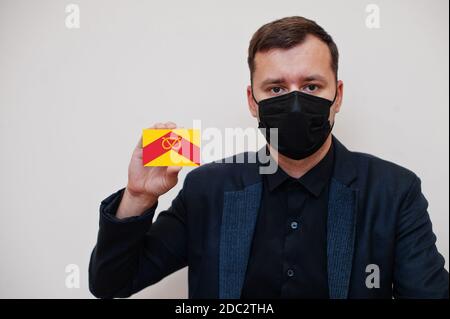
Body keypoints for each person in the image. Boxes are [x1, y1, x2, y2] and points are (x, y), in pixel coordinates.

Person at [89, 16, 449, 299]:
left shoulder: (393, 191)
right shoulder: (207, 188)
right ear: (252, 100)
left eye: (311, 87)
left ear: (337, 96)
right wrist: (138, 197)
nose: (294, 103)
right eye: (276, 88)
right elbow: (111, 283)